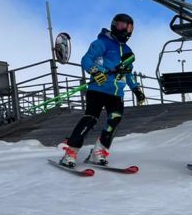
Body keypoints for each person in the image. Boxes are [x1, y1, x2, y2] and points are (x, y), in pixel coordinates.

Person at [60, 13, 143, 167]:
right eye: (121, 25)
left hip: (116, 93)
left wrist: (136, 90)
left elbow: (128, 73)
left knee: (115, 119)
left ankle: (99, 151)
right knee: (90, 119)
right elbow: (86, 60)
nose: (125, 30)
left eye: (129, 27)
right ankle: (71, 152)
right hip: (97, 89)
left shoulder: (127, 51)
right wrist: (95, 71)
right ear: (113, 25)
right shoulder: (101, 43)